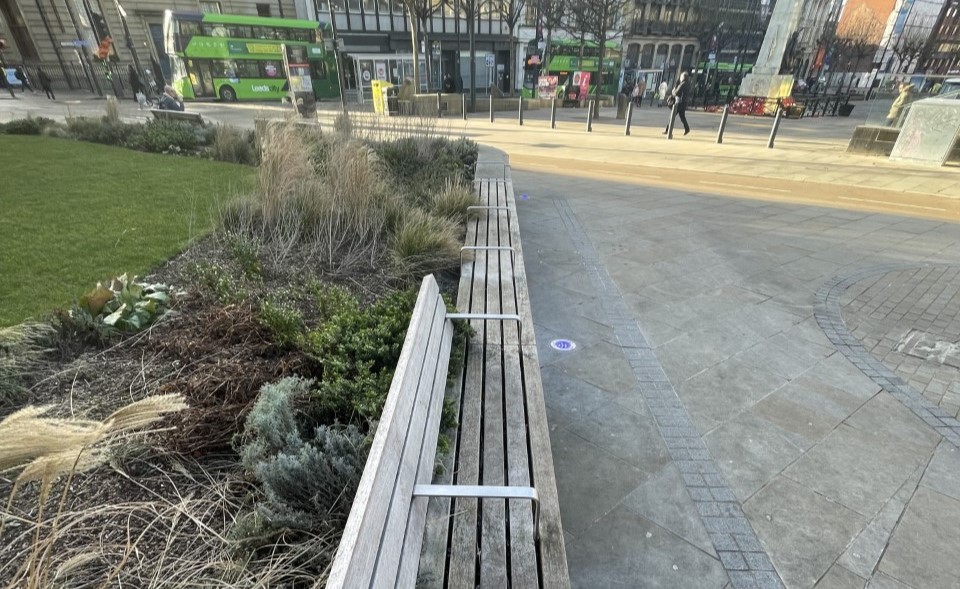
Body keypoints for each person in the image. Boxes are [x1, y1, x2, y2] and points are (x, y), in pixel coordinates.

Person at [663, 71, 690, 136]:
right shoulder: (687, 84)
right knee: (682, 117)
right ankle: (687, 128)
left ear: (683, 77)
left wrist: (674, 91)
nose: (680, 78)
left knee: (672, 117)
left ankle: (668, 131)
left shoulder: (682, 84)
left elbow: (676, 92)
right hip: (683, 102)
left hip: (679, 103)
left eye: (681, 76)